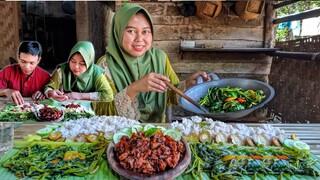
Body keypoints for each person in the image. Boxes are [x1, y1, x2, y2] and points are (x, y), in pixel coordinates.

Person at [95, 4, 210, 123]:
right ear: (117, 31)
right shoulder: (105, 65)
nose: (139, 38)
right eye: (131, 31)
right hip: (119, 134)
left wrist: (187, 85)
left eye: (145, 31)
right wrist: (133, 89)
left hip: (157, 133)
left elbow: (170, 94)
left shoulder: (159, 58)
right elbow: (100, 112)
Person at [44, 41, 114, 102]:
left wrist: (80, 96)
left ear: (89, 62)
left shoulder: (96, 73)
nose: (76, 66)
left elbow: (108, 95)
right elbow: (48, 87)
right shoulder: (62, 70)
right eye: (73, 61)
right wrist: (50, 92)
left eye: (82, 63)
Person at [0, 41, 51, 105]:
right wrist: (6, 91)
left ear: (38, 60)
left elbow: (50, 93)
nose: (27, 67)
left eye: (32, 63)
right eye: (23, 61)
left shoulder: (45, 77)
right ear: (18, 57)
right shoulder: (7, 72)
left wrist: (43, 93)